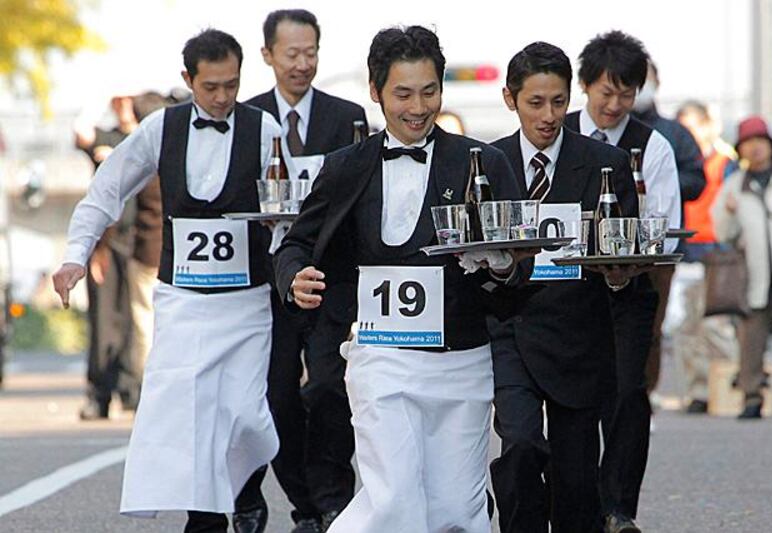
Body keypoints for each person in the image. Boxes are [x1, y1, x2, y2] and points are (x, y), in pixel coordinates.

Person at [274, 25, 524, 533]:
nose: (418, 107)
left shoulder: (484, 162)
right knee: (394, 500)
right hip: (380, 356)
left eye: (429, 91)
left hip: (463, 360)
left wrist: (501, 265)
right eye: (403, 94)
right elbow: (298, 241)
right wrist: (294, 277)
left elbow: (520, 267)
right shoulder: (347, 166)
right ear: (375, 91)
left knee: (457, 512)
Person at [52, 29, 281, 533]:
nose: (222, 97)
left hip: (247, 301)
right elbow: (106, 190)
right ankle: (205, 516)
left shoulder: (265, 130)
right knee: (190, 412)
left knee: (246, 414)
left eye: (232, 85)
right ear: (188, 80)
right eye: (211, 86)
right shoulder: (161, 128)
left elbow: (289, 205)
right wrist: (75, 254)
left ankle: (244, 487)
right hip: (181, 300)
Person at [488, 41, 641, 533]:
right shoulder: (488, 164)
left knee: (576, 484)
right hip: (510, 330)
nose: (549, 115)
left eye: (558, 101)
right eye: (535, 103)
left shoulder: (606, 165)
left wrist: (619, 277)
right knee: (520, 448)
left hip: (579, 336)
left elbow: (625, 254)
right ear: (511, 99)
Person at [244, 10, 367, 532]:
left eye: (311, 52)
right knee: (276, 397)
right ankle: (305, 503)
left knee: (327, 389)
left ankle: (333, 499)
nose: (302, 64)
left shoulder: (348, 117)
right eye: (291, 54)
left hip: (327, 278)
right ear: (268, 55)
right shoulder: (247, 119)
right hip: (265, 283)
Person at [564, 30, 681, 533]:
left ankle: (617, 507)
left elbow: (666, 234)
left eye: (627, 93)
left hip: (629, 289)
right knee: (574, 400)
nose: (615, 104)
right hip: (564, 291)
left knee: (628, 394)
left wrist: (653, 313)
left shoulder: (652, 147)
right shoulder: (557, 131)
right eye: (606, 91)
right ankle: (573, 501)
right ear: (585, 85)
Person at [712, 116, 772, 422]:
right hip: (754, 276)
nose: (756, 148)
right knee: (751, 342)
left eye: (760, 142)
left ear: (771, 145)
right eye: (749, 143)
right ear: (741, 150)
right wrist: (730, 213)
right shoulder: (735, 184)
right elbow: (723, 232)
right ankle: (751, 398)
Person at [632, 59, 707, 394]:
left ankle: (646, 393)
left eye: (644, 79)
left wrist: (661, 180)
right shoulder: (605, 131)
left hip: (661, 248)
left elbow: (697, 179)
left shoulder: (674, 133)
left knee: (651, 326)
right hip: (611, 244)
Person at [73, 95, 139, 419]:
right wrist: (101, 94)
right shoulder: (108, 138)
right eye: (120, 101)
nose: (125, 107)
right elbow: (80, 131)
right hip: (108, 245)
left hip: (143, 243)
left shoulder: (151, 137)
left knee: (136, 323)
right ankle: (99, 393)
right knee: (103, 323)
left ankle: (132, 391)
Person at [674, 100, 739, 413]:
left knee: (716, 327)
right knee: (688, 329)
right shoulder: (680, 163)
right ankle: (698, 391)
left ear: (706, 126)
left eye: (692, 127)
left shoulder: (724, 163)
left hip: (717, 254)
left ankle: (730, 386)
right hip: (687, 253)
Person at [124, 91, 169, 410]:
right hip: (176, 255)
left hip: (144, 251)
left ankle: (149, 390)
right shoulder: (178, 151)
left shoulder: (141, 156)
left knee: (144, 325)